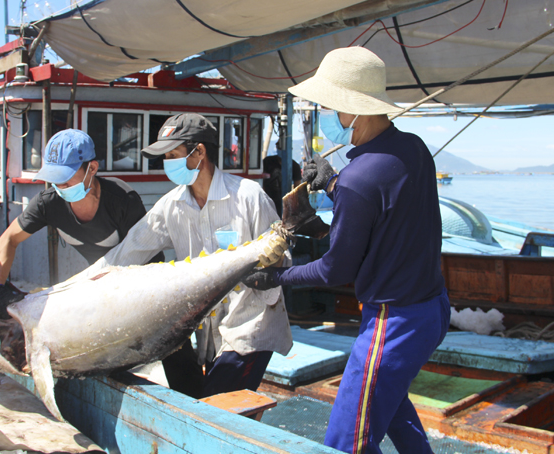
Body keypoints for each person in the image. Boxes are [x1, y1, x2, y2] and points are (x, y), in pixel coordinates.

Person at [242, 47, 450, 454]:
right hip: (433, 308)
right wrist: (333, 184)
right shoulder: (415, 149)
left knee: (346, 441)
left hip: (392, 322)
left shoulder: (358, 179)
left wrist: (276, 277)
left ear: (351, 108)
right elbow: (385, 211)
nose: (325, 112)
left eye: (328, 105)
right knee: (391, 412)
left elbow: (334, 271)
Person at [92, 113, 293, 399]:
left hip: (251, 327)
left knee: (215, 410)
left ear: (199, 152)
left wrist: (271, 261)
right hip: (211, 335)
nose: (167, 164)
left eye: (173, 154)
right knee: (224, 413)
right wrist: (87, 283)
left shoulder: (249, 196)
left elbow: (283, 259)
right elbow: (128, 251)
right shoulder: (172, 205)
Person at [0, 129, 161, 318]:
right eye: (53, 178)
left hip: (144, 282)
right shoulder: (48, 203)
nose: (59, 185)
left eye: (65, 177)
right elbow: (9, 239)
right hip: (98, 284)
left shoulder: (121, 200)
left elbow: (144, 255)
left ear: (92, 168)